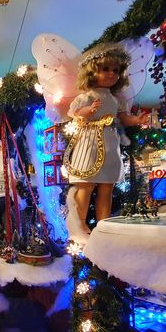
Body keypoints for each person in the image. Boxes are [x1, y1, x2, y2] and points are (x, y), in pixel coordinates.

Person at [63, 43, 148, 234]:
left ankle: (103, 224)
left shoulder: (116, 100)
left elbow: (122, 118)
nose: (112, 74)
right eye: (106, 69)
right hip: (90, 142)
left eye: (116, 70)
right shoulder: (87, 96)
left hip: (110, 142)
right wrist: (88, 111)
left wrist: (137, 119)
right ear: (92, 72)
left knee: (107, 187)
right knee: (86, 184)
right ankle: (80, 223)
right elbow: (75, 112)